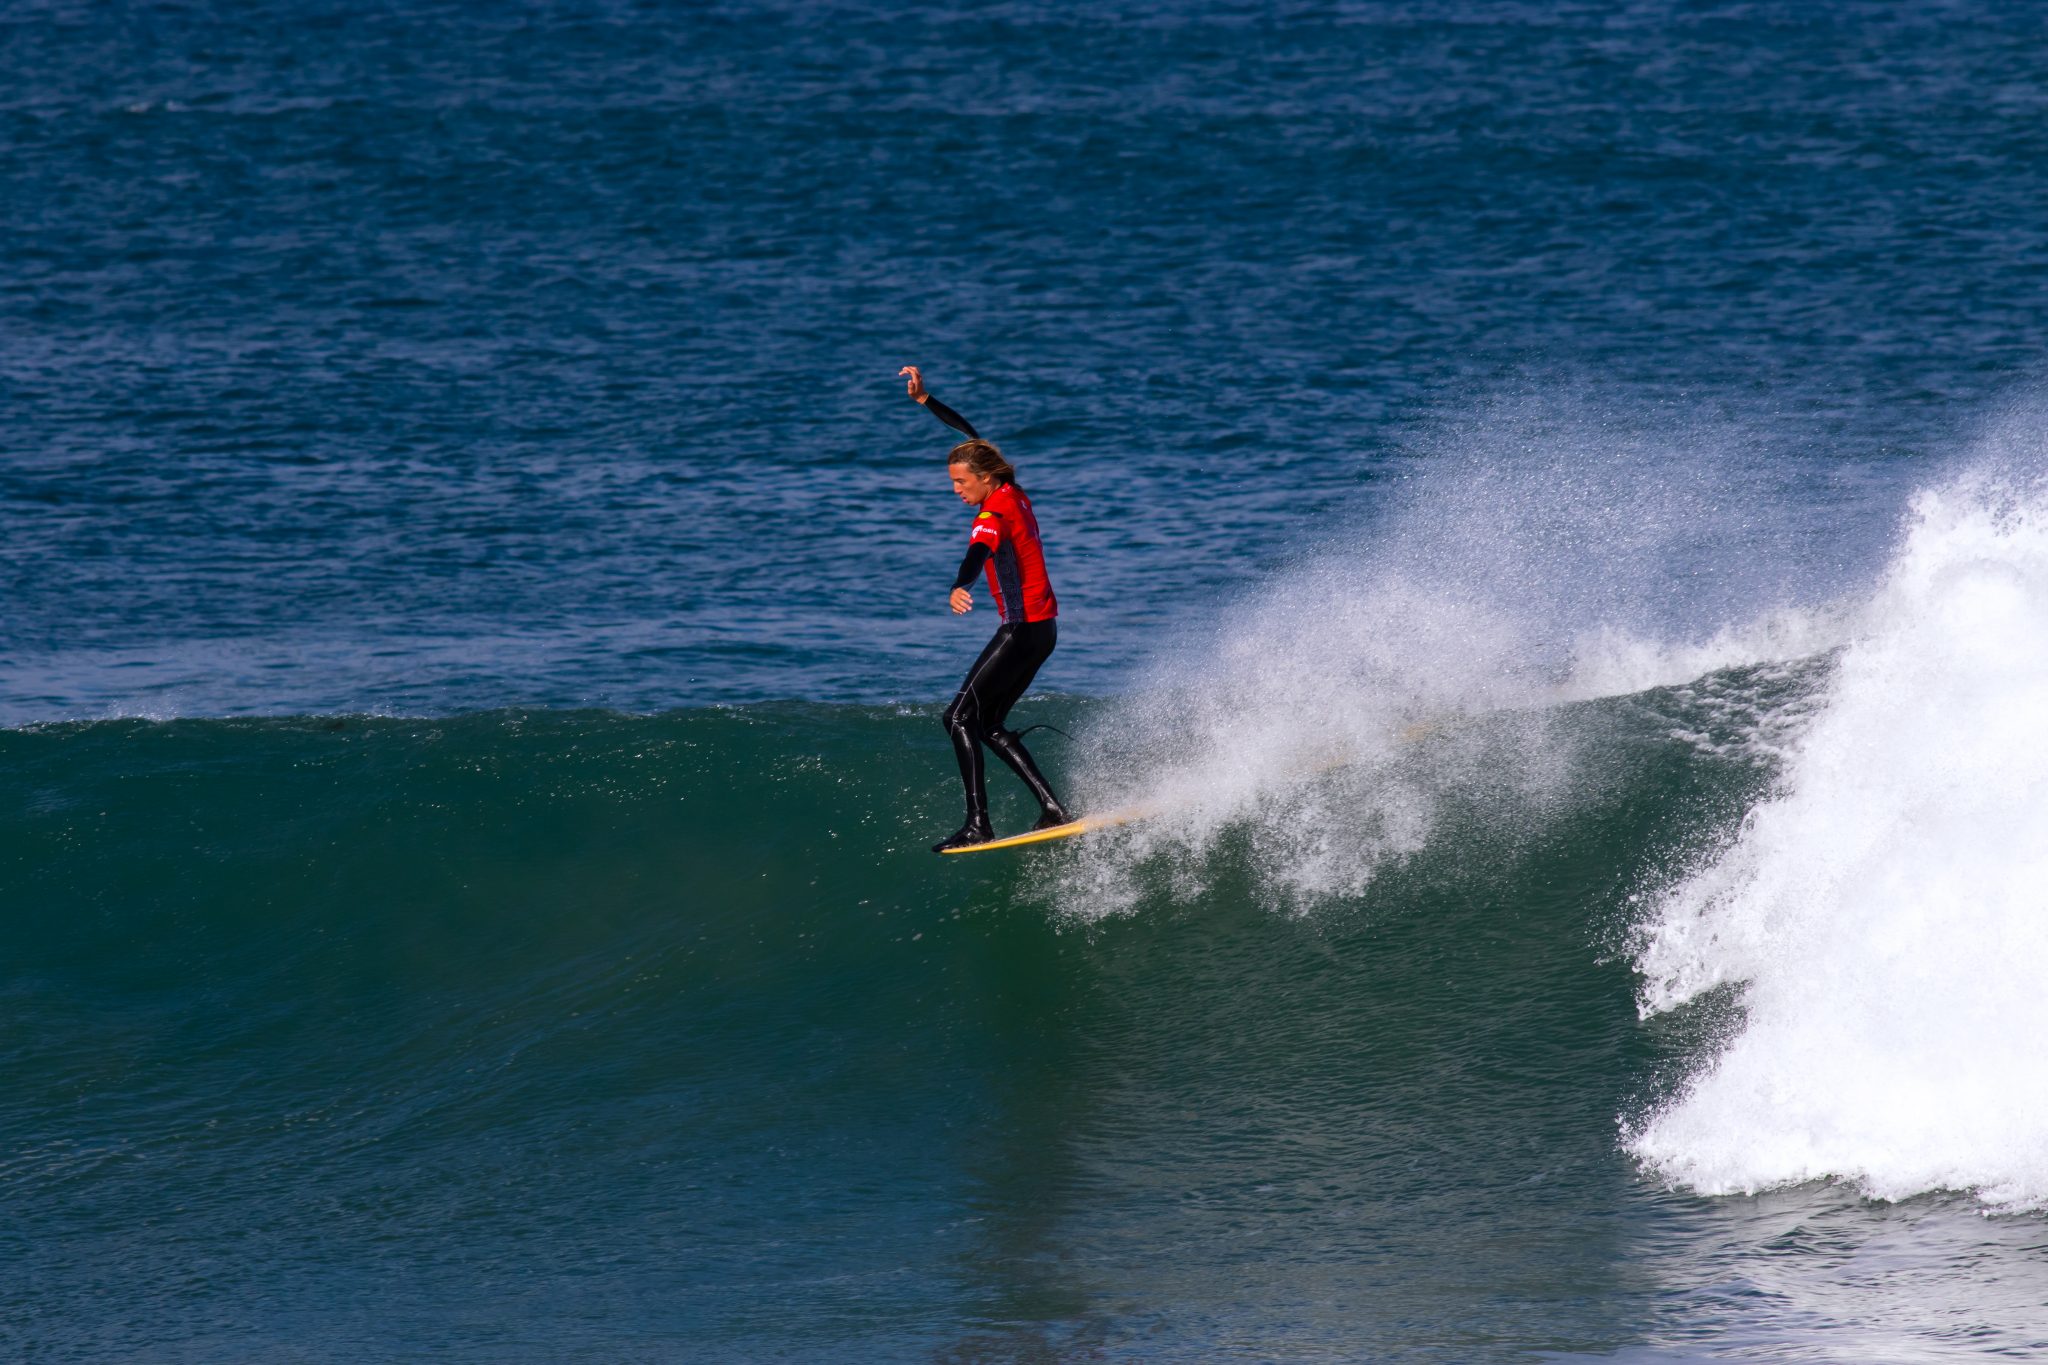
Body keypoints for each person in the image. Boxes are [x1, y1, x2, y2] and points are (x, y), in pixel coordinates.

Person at [900, 365, 1073, 852]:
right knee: (989, 723)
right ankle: (1053, 808)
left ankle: (979, 823)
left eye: (960, 481)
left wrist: (960, 585)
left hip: (1019, 631)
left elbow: (977, 552)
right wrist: (926, 400)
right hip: (1045, 631)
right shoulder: (1012, 492)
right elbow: (970, 435)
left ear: (984, 479)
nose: (956, 489)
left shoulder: (992, 514)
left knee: (956, 719)